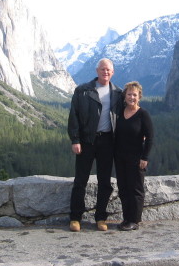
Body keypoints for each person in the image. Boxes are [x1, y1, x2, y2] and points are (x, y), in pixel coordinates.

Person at [67, 58, 123, 232]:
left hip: (107, 142)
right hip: (87, 141)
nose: (105, 72)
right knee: (80, 180)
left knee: (104, 182)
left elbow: (127, 116)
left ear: (112, 72)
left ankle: (100, 218)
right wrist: (75, 140)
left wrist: (142, 133)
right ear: (97, 71)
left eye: (108, 70)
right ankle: (76, 218)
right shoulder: (83, 90)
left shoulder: (118, 93)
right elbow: (73, 116)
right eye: (102, 69)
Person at [114, 81, 154, 231]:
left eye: (134, 95)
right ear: (124, 96)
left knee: (135, 189)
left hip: (136, 158)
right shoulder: (119, 112)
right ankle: (126, 218)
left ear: (139, 97)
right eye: (129, 94)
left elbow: (150, 137)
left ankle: (134, 221)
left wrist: (145, 157)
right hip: (120, 158)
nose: (131, 97)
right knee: (123, 188)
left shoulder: (143, 114)